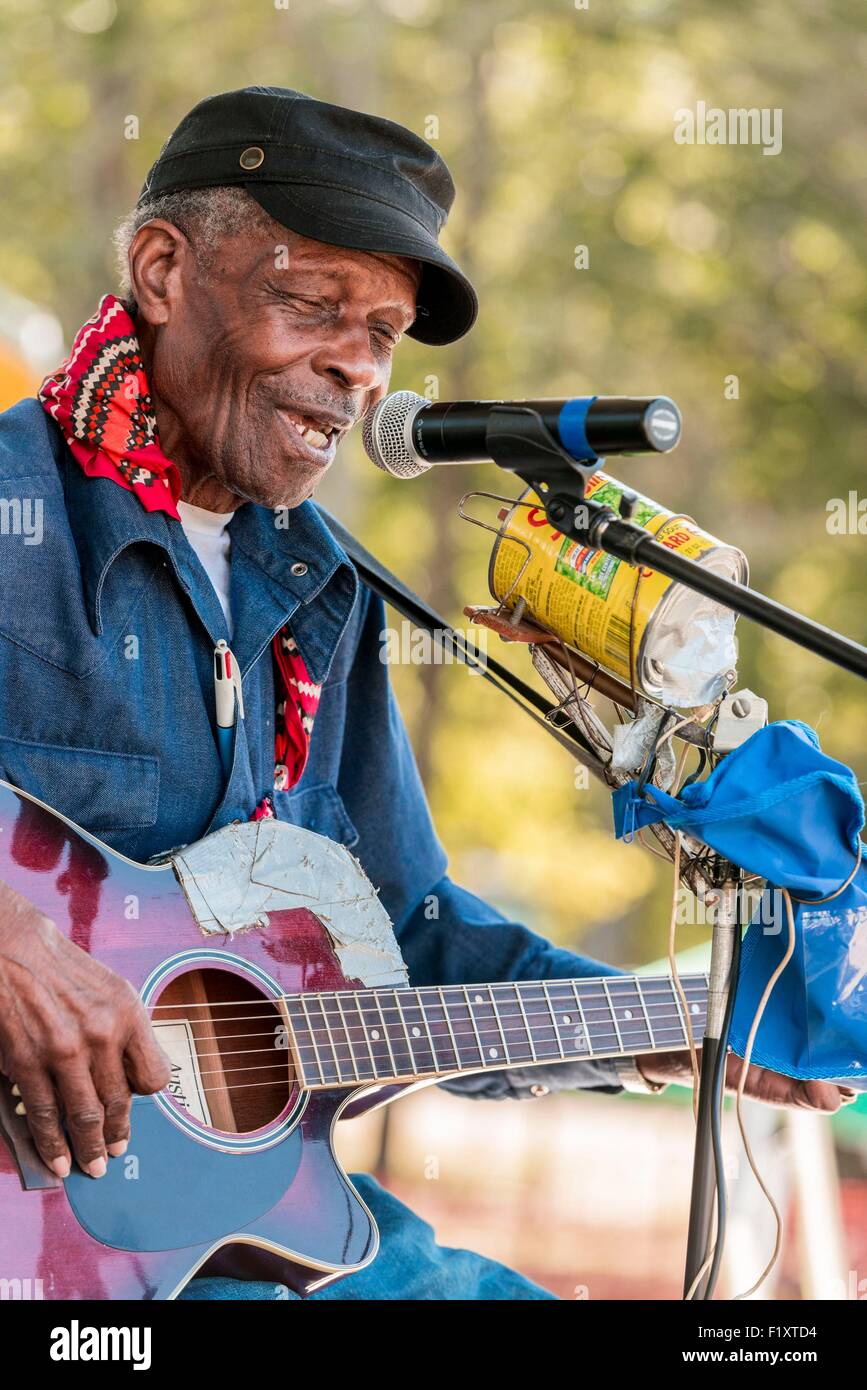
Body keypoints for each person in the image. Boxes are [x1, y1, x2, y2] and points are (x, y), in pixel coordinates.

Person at [0, 86, 850, 1301]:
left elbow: (407, 937)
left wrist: (692, 1026)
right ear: (162, 269)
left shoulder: (327, 593)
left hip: (231, 1232)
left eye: (385, 332)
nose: (354, 364)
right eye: (311, 305)